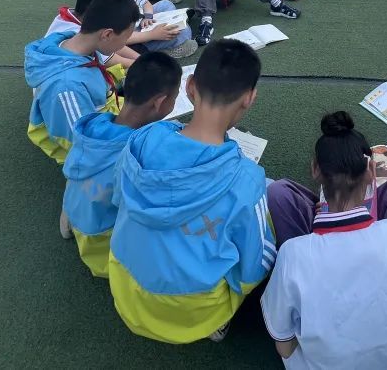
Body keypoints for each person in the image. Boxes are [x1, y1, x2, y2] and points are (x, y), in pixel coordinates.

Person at [108, 40, 276, 344]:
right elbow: (255, 267)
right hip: (192, 309)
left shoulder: (142, 138)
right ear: (249, 98)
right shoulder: (248, 180)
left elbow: (118, 198)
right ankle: (216, 321)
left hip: (125, 283)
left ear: (190, 86)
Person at [262, 112, 387, 367]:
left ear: (315, 169)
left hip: (317, 357)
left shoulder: (292, 253)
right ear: (371, 170)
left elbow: (285, 347)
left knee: (277, 192)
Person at [61, 52, 181, 275]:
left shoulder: (93, 124)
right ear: (160, 102)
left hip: (80, 212)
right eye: (174, 98)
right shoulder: (140, 155)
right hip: (105, 245)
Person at [25, 0, 139, 164]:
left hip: (103, 111)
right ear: (107, 34)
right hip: (90, 151)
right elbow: (83, 144)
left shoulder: (77, 44)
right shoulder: (66, 86)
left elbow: (95, 79)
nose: (124, 44)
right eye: (126, 38)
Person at [47, 0, 138, 69]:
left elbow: (114, 42)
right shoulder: (79, 35)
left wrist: (140, 59)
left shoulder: (71, 18)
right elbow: (112, 59)